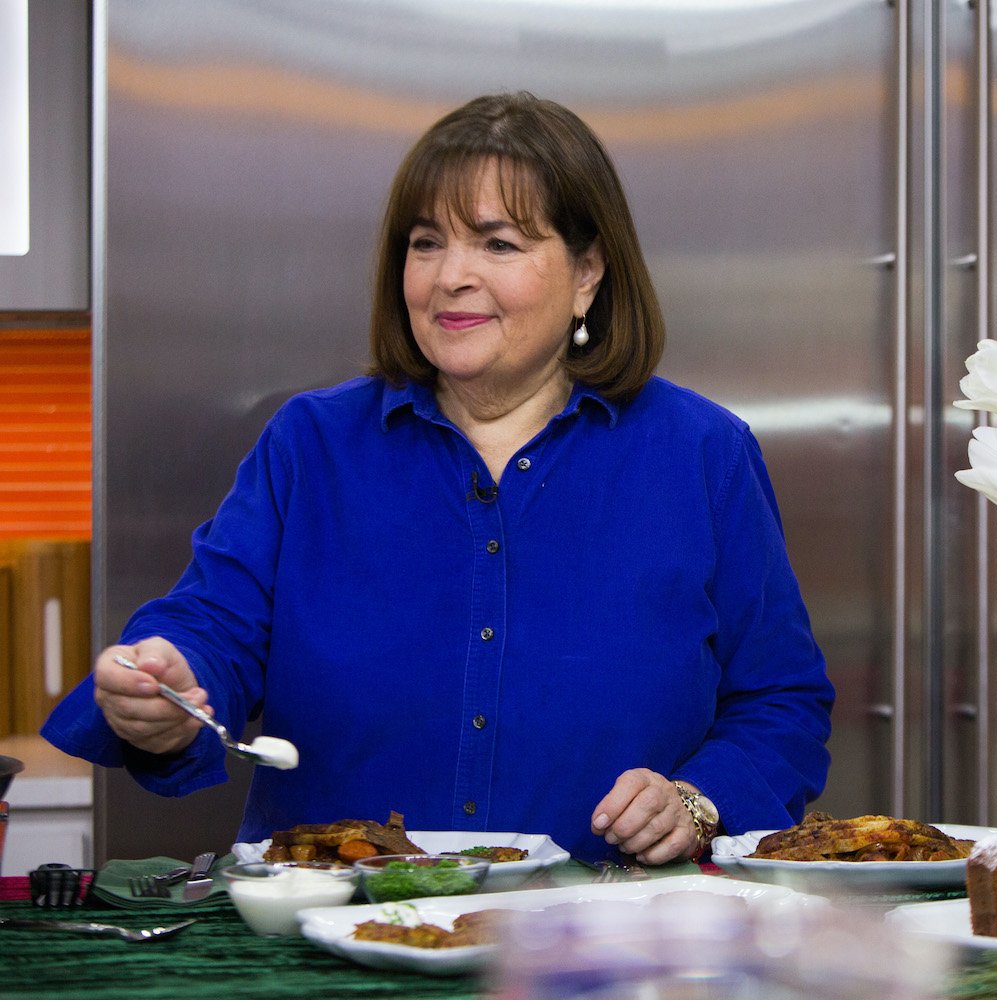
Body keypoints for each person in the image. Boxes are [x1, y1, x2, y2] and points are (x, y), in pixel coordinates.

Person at [42, 92, 834, 864]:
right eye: (426, 243)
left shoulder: (703, 453)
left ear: (588, 271)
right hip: (335, 933)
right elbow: (212, 629)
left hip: (605, 940)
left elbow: (781, 702)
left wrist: (697, 800)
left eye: (498, 244)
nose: (450, 275)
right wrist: (168, 688)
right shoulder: (310, 444)